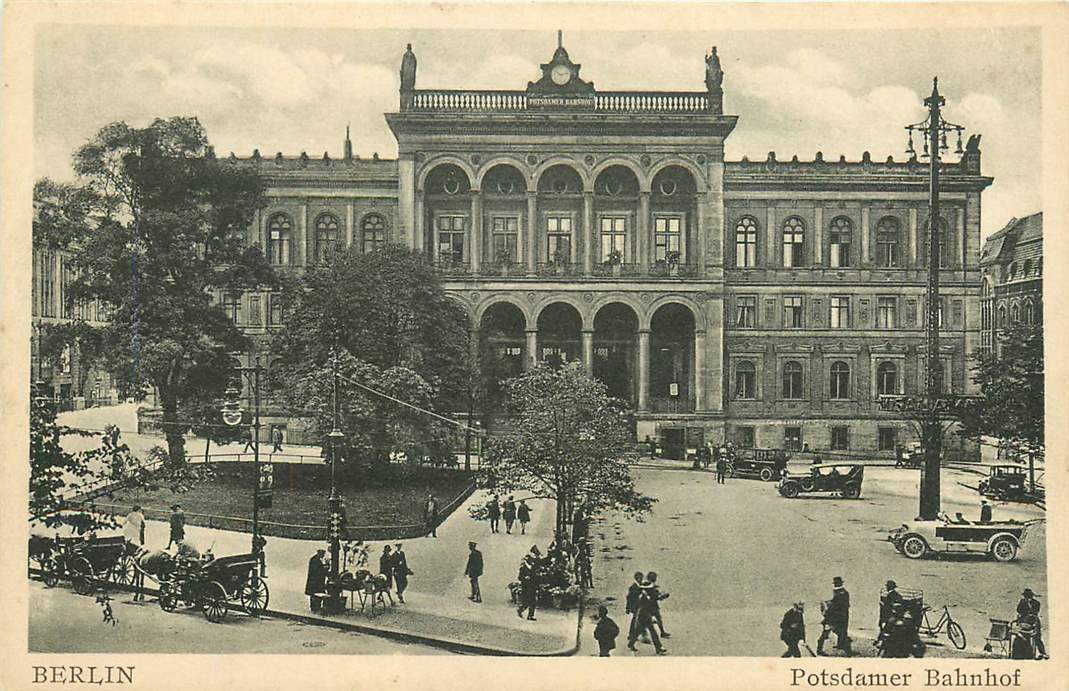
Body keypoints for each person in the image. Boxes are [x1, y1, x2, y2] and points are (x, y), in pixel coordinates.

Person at [627, 581, 667, 655]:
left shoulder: (645, 594)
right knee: (651, 632)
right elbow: (645, 606)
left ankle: (631, 643)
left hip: (646, 616)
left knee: (639, 631)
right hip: (643, 616)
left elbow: (655, 599)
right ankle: (658, 648)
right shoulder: (643, 596)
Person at [817, 576, 851, 656]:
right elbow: (841, 605)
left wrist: (827, 612)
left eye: (835, 583)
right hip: (839, 619)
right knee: (841, 634)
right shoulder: (843, 592)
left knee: (826, 634)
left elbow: (835, 606)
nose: (835, 585)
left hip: (833, 619)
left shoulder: (839, 593)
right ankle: (848, 651)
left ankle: (819, 650)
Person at [1016, 588, 1047, 658]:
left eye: (1028, 597)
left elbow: (1035, 612)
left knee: (1037, 638)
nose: (1027, 598)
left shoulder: (1036, 603)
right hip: (1024, 622)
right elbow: (1018, 610)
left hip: (1034, 622)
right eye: (1025, 597)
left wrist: (1028, 612)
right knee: (1022, 636)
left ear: (1031, 596)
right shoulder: (1022, 602)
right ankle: (1024, 653)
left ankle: (1042, 652)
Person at [644, 571, 671, 638]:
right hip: (650, 606)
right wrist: (663, 596)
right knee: (650, 620)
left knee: (657, 619)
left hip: (651, 606)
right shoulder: (649, 586)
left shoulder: (649, 585)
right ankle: (661, 632)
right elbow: (655, 596)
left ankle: (662, 632)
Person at [624, 571, 648, 645]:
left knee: (637, 621)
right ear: (636, 578)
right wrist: (627, 608)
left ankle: (633, 635)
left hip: (641, 606)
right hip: (636, 607)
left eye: (641, 578)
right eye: (638, 578)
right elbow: (629, 598)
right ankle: (637, 636)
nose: (640, 579)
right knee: (638, 621)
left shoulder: (641, 586)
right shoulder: (633, 587)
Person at [516, 553, 540, 620]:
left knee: (533, 601)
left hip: (532, 586)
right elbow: (519, 577)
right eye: (530, 559)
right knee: (526, 602)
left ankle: (530, 616)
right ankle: (520, 610)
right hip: (526, 587)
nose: (531, 561)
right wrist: (524, 578)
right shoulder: (523, 568)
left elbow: (536, 577)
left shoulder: (533, 567)